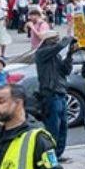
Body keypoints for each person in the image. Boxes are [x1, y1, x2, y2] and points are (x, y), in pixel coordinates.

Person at [35, 29, 75, 157]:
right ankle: (50, 156)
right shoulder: (42, 53)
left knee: (63, 127)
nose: (56, 41)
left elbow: (65, 70)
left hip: (61, 94)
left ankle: (58, 154)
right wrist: (68, 38)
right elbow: (59, 46)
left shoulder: (55, 56)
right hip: (50, 95)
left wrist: (70, 54)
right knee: (53, 128)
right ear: (48, 41)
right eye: (54, 39)